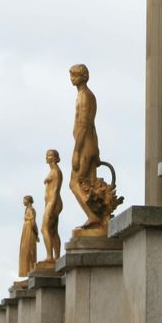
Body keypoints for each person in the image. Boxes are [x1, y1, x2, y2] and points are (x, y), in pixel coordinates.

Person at [69, 64, 101, 228]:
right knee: (90, 184)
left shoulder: (84, 96)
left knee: (74, 183)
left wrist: (76, 151)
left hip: (84, 145)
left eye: (75, 75)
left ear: (84, 76)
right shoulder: (88, 95)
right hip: (90, 144)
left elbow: (84, 124)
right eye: (71, 75)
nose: (72, 78)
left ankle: (92, 216)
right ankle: (98, 220)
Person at [40, 149, 63, 263]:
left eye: (50, 155)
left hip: (53, 202)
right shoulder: (53, 171)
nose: (47, 157)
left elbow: (55, 191)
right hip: (51, 202)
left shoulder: (56, 172)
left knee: (44, 228)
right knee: (53, 230)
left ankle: (50, 257)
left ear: (55, 158)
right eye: (47, 155)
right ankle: (56, 258)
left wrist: (51, 206)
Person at [18, 195, 39, 276]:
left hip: (29, 230)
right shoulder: (27, 209)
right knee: (26, 250)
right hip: (27, 229)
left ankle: (29, 271)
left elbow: (33, 223)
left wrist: (36, 233)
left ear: (28, 201)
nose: (23, 201)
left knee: (29, 250)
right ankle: (27, 272)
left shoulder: (31, 210)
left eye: (24, 200)